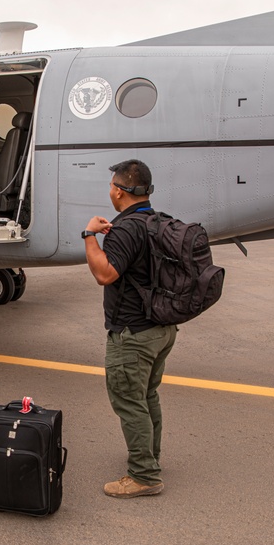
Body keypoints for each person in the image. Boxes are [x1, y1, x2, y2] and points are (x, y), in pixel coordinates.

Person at [82, 159, 178, 498]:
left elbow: (104, 274)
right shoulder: (158, 222)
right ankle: (150, 457)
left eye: (112, 185)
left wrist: (90, 235)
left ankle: (144, 475)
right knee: (147, 396)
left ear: (119, 192)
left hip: (133, 335)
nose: (110, 190)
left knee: (129, 401)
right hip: (162, 329)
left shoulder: (125, 229)